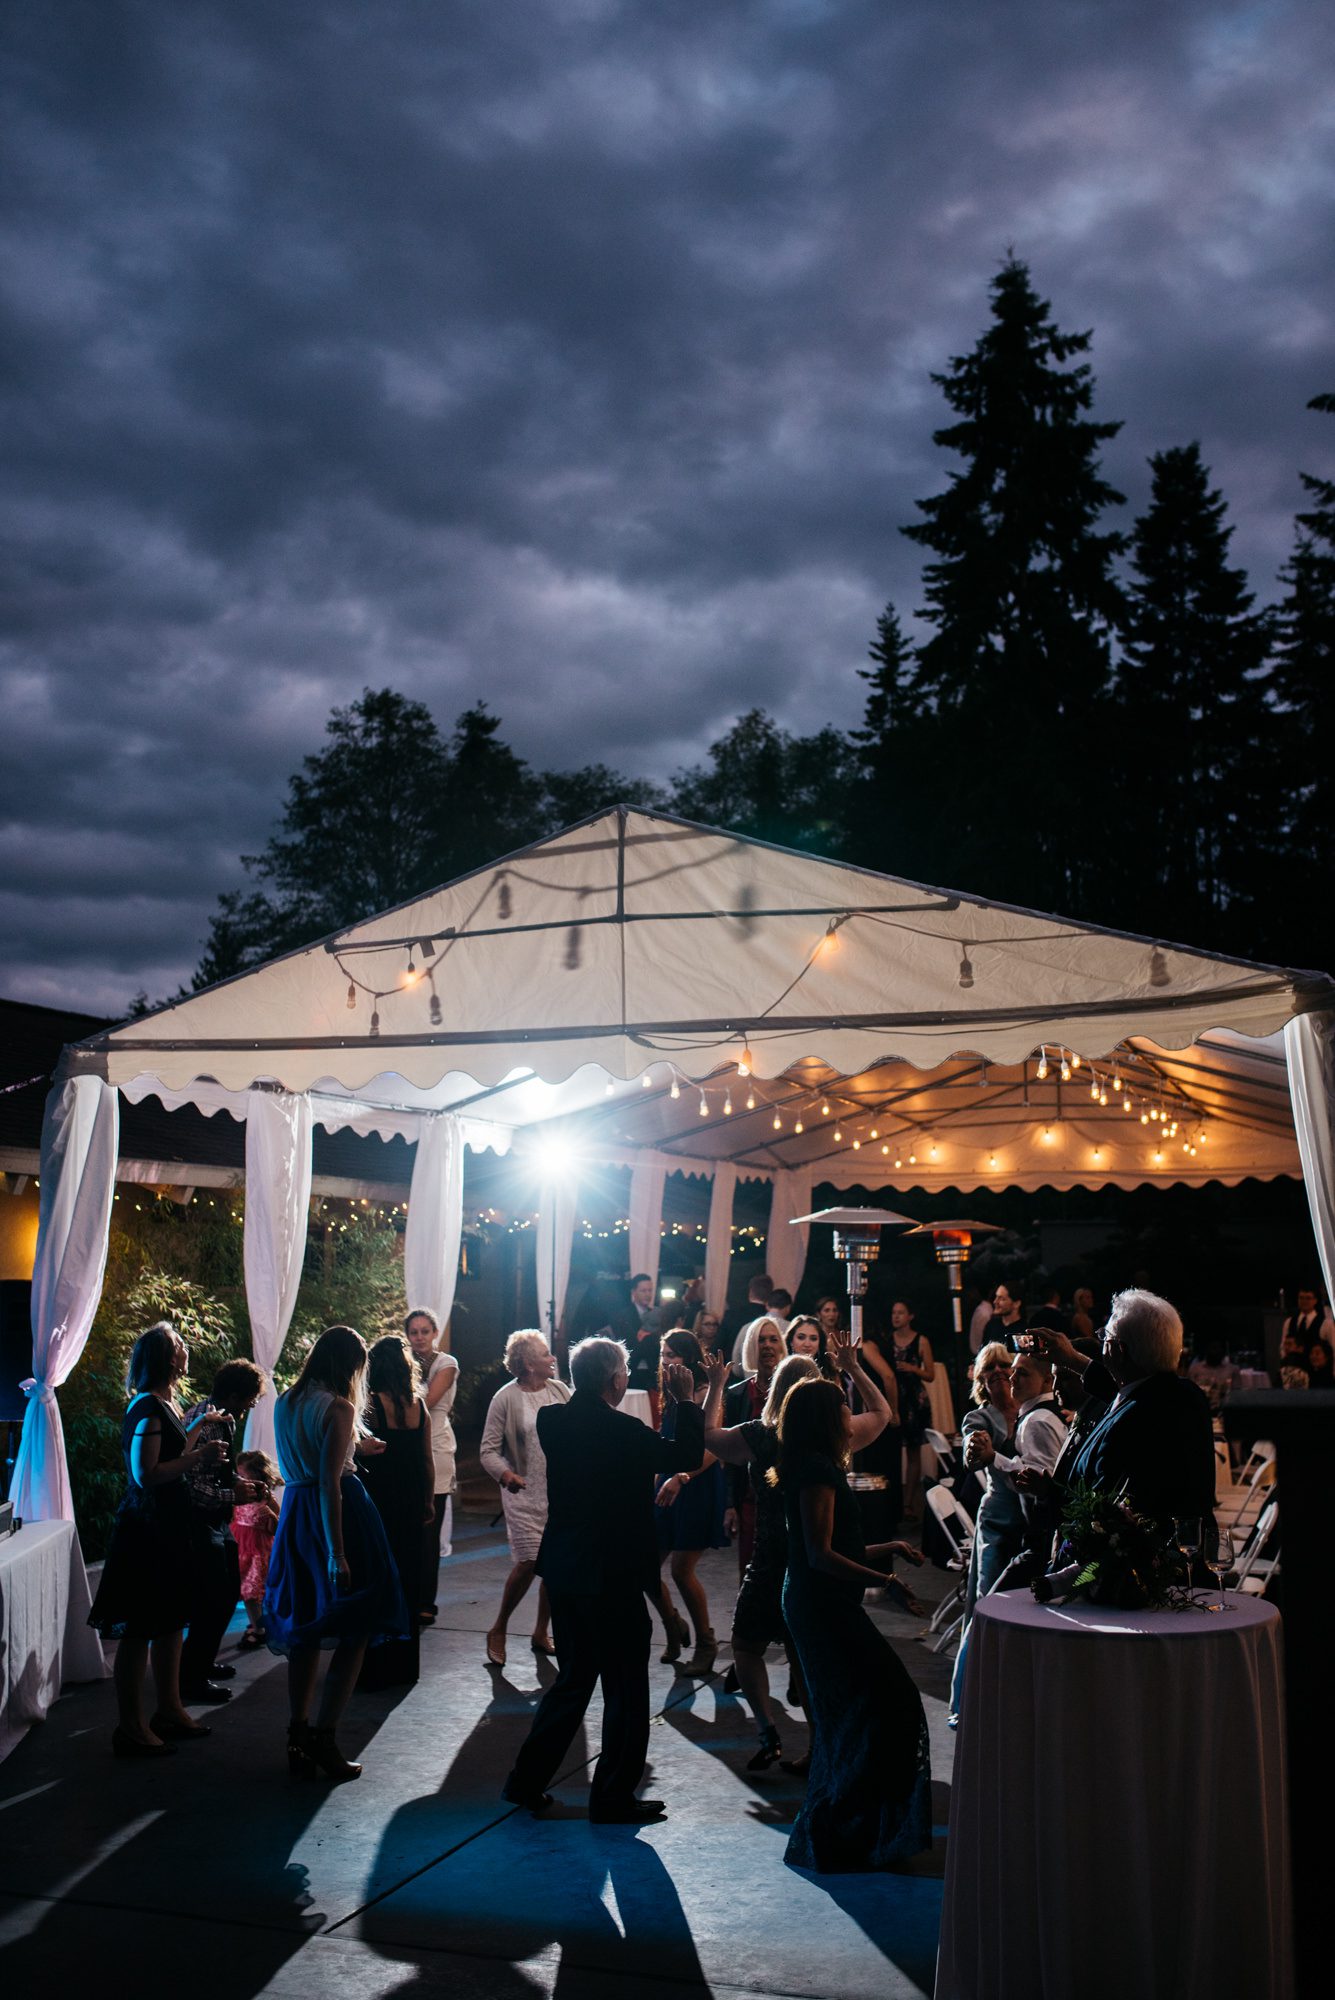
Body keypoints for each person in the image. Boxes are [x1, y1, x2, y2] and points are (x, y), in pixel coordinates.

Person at [501, 1340, 706, 1823]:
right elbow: (688, 1453)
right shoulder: (625, 1430)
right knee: (627, 1690)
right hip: (614, 1575)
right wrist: (685, 1400)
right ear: (615, 1381)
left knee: (572, 1682)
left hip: (569, 1569)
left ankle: (525, 1782)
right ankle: (612, 1797)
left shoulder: (553, 1422)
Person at [772, 1377, 931, 1872]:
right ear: (825, 1417)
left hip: (820, 1601)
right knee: (885, 1705)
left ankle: (856, 1828)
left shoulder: (814, 1466)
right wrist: (886, 1579)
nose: (850, 1410)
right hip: (821, 1608)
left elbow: (830, 1549)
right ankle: (846, 1829)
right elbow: (820, 1556)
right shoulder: (818, 1471)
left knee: (861, 1714)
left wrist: (887, 1548)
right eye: (843, 1403)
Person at [264, 1325, 408, 1782]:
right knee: (356, 1629)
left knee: (306, 1628)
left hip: (296, 1512)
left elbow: (310, 1462)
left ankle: (298, 1733)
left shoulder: (286, 1399)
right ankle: (325, 1737)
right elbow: (330, 1481)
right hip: (337, 1516)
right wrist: (337, 1553)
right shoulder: (340, 1406)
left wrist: (353, 1446)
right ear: (351, 1366)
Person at [89, 1321, 227, 1757]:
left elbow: (169, 1455)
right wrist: (200, 1456)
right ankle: (131, 1727)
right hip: (146, 1531)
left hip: (167, 1526)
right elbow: (145, 1474)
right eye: (181, 1344)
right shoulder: (147, 1406)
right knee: (139, 1631)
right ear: (169, 1357)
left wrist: (199, 1428)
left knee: (169, 1624)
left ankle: (170, 1709)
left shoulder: (164, 1403)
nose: (187, 1349)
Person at [1035, 1289, 1215, 1531]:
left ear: (1118, 1350)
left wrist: (1053, 1493)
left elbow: (1101, 1516)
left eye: (1104, 1337)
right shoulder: (1185, 1396)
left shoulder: (1130, 1423)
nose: (1101, 1344)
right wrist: (1072, 1359)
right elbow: (1132, 1393)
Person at [478, 1330, 571, 1665]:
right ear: (530, 1364)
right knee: (530, 1562)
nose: (552, 1359)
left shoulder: (560, 1390)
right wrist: (506, 1475)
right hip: (521, 1492)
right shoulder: (505, 1398)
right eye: (546, 1354)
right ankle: (499, 1627)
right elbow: (488, 1451)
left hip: (558, 1492)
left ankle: (540, 1631)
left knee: (554, 1567)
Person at [180, 1355, 268, 1701]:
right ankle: (191, 1678)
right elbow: (190, 1482)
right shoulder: (205, 1421)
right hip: (198, 1520)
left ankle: (202, 1662)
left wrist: (242, 1487)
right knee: (212, 1597)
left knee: (228, 1591)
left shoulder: (225, 1420)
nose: (250, 1406)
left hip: (218, 1517)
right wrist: (232, 1493)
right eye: (249, 1399)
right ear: (233, 1395)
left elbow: (218, 1472)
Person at [947, 1343, 1020, 1727]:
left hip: (1031, 1522)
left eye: (1005, 1366)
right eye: (990, 1369)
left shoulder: (1034, 1411)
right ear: (980, 1378)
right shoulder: (979, 1417)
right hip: (998, 1518)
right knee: (984, 1604)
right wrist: (979, 1450)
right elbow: (972, 1457)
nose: (999, 1373)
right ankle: (966, 1701)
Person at [357, 1334, 436, 1689]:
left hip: (379, 1501)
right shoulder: (419, 1406)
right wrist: (429, 1501)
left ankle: (373, 1667)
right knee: (407, 1578)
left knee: (376, 1577)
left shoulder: (371, 1404)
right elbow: (426, 1459)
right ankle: (404, 1667)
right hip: (411, 1500)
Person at [653, 1330, 729, 1676]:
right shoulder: (669, 1392)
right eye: (663, 1354)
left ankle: (706, 1642)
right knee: (643, 1567)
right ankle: (673, 1625)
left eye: (673, 1355)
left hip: (695, 1485)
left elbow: (713, 1448)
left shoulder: (703, 1393)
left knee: (682, 1571)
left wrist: (681, 1477)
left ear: (689, 1358)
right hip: (668, 1485)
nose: (667, 1361)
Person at [405, 1308, 459, 1625]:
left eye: (425, 1331)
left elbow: (427, 1400)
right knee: (409, 1527)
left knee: (429, 1528)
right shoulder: (403, 1361)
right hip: (407, 1448)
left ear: (435, 1333)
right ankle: (407, 1595)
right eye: (414, 1332)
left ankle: (426, 1601)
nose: (420, 1337)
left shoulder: (446, 1364)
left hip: (436, 1445)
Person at [723, 1317, 788, 1570]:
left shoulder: (795, 1390)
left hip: (788, 1497)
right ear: (751, 1345)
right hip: (751, 1498)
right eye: (761, 1340)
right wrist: (730, 1504)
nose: (768, 1345)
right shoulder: (737, 1394)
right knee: (751, 1571)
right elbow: (729, 1454)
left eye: (774, 1339)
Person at [847, 1322, 903, 1547]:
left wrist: (894, 1410)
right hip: (873, 1412)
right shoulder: (870, 1345)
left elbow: (888, 1376)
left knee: (881, 1466)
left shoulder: (867, 1346)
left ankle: (885, 1519)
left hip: (879, 1413)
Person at [887, 1299, 935, 1519]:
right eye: (894, 1313)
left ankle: (908, 1503)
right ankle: (894, 1500)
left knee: (913, 1452)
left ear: (910, 1316)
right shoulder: (888, 1340)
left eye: (900, 1313)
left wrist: (912, 1368)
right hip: (894, 1397)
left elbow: (931, 1375)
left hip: (915, 1400)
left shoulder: (921, 1340)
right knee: (892, 1449)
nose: (896, 1316)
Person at [233, 1449, 280, 1648]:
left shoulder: (266, 1500)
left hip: (256, 1551)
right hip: (239, 1547)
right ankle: (256, 1623)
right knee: (245, 1592)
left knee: (252, 1592)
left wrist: (269, 1514)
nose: (240, 1478)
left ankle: (259, 1629)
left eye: (244, 1475)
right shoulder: (237, 1495)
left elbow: (276, 1528)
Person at [721, 1272, 773, 1362]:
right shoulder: (771, 1319)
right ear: (770, 1295)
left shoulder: (731, 1315)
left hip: (732, 1370)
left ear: (750, 1292)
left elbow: (719, 1347)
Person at [1187, 1338, 1240, 1414]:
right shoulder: (1195, 1369)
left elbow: (1237, 1396)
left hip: (1225, 1412)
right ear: (1206, 1349)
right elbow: (1190, 1395)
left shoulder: (1233, 1370)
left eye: (1218, 1348)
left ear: (1223, 1351)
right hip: (1200, 1412)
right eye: (1212, 1348)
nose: (1215, 1351)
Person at [788, 1314, 838, 1379]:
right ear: (791, 1341)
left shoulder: (830, 1372)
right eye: (801, 1337)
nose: (807, 1344)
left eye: (813, 1339)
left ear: (820, 1343)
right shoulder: (781, 1369)